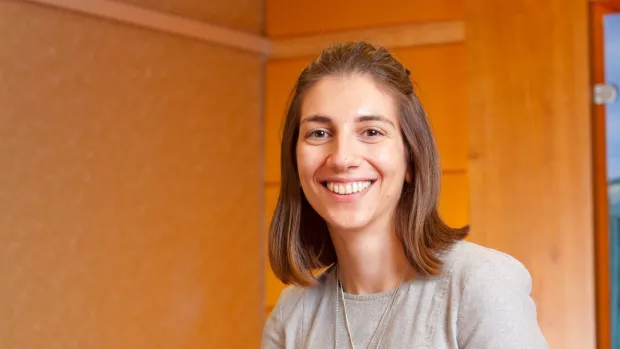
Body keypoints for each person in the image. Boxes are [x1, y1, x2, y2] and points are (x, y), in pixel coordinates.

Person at [262, 41, 548, 349]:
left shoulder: (481, 286)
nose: (342, 158)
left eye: (371, 132)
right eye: (319, 133)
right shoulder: (292, 316)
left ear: (410, 158)